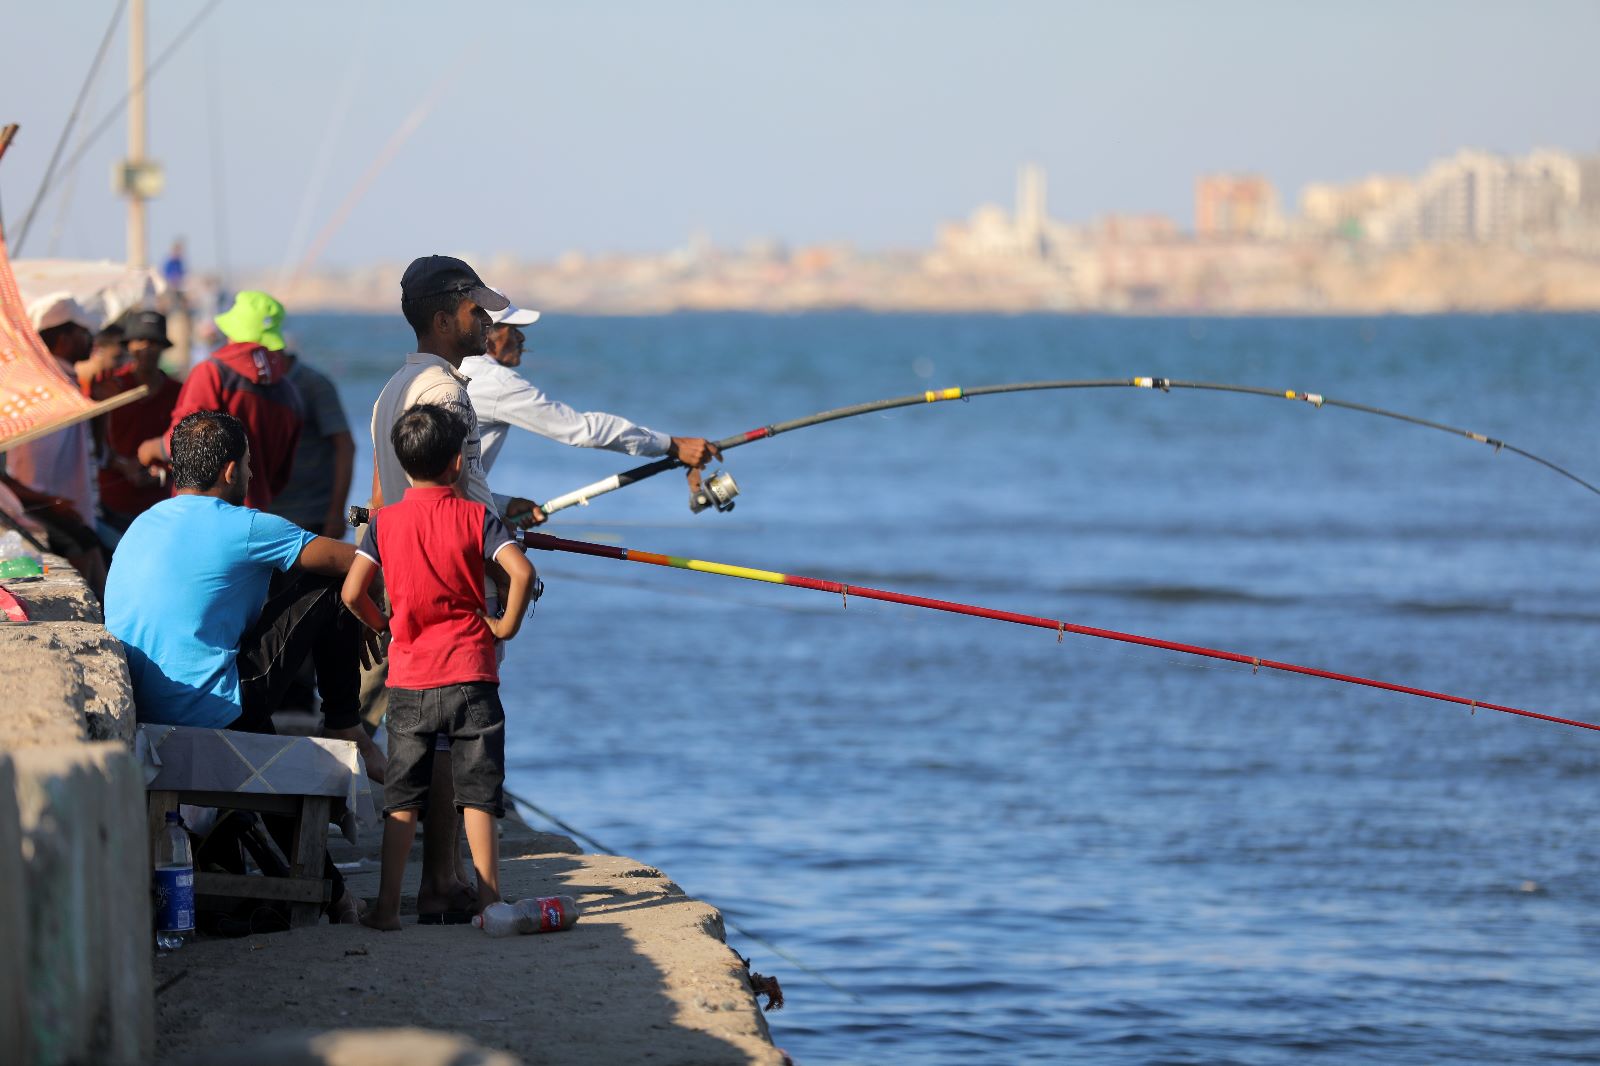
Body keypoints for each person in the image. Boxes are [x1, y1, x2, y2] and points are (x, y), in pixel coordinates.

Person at [104, 410, 373, 922]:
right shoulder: (245, 525)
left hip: (148, 702)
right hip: (209, 705)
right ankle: (343, 720)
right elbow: (354, 562)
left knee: (259, 726)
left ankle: (335, 895)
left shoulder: (144, 522)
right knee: (333, 587)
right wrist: (372, 613)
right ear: (230, 471)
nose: (251, 477)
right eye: (248, 466)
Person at [364, 254, 533, 922]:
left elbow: (385, 499)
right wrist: (503, 569)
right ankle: (446, 880)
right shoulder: (446, 392)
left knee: (424, 735)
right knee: (461, 740)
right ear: (442, 318)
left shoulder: (393, 389)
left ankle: (437, 879)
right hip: (456, 590)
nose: (487, 322)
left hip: (409, 582)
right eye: (474, 310)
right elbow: (464, 493)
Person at [343, 404, 536, 930]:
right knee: (479, 793)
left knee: (402, 797)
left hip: (408, 677)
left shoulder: (384, 523)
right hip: (472, 672)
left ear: (404, 465)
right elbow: (520, 571)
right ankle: (488, 903)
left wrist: (383, 624)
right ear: (457, 463)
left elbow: (351, 590)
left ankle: (386, 908)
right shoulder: (478, 517)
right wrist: (503, 625)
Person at [461, 289, 720, 520]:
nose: (521, 339)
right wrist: (671, 445)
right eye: (513, 329)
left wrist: (503, 506)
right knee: (522, 575)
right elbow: (582, 430)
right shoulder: (496, 382)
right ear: (487, 333)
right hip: (448, 519)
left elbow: (443, 486)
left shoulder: (450, 368)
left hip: (435, 510)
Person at [137, 290, 303, 511]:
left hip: (202, 513)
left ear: (233, 332)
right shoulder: (290, 393)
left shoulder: (211, 372)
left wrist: (150, 449)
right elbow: (283, 475)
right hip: (256, 515)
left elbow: (184, 443)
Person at [89, 310, 181, 533]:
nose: (146, 348)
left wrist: (162, 470)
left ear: (162, 347)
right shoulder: (110, 388)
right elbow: (93, 443)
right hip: (112, 502)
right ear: (129, 346)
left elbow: (183, 443)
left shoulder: (178, 392)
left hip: (161, 504)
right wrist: (122, 465)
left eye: (153, 342)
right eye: (140, 340)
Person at [268, 339, 355, 539]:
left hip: (313, 516)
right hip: (267, 514)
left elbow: (345, 446)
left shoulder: (314, 384)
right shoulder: (257, 384)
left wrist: (336, 513)